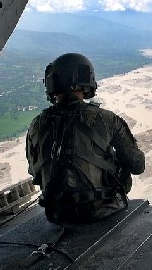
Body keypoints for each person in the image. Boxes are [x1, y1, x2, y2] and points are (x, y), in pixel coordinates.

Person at [26, 53, 145, 223]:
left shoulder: (36, 124)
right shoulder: (106, 119)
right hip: (102, 211)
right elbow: (137, 165)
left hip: (56, 214)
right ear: (86, 80)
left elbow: (34, 171)